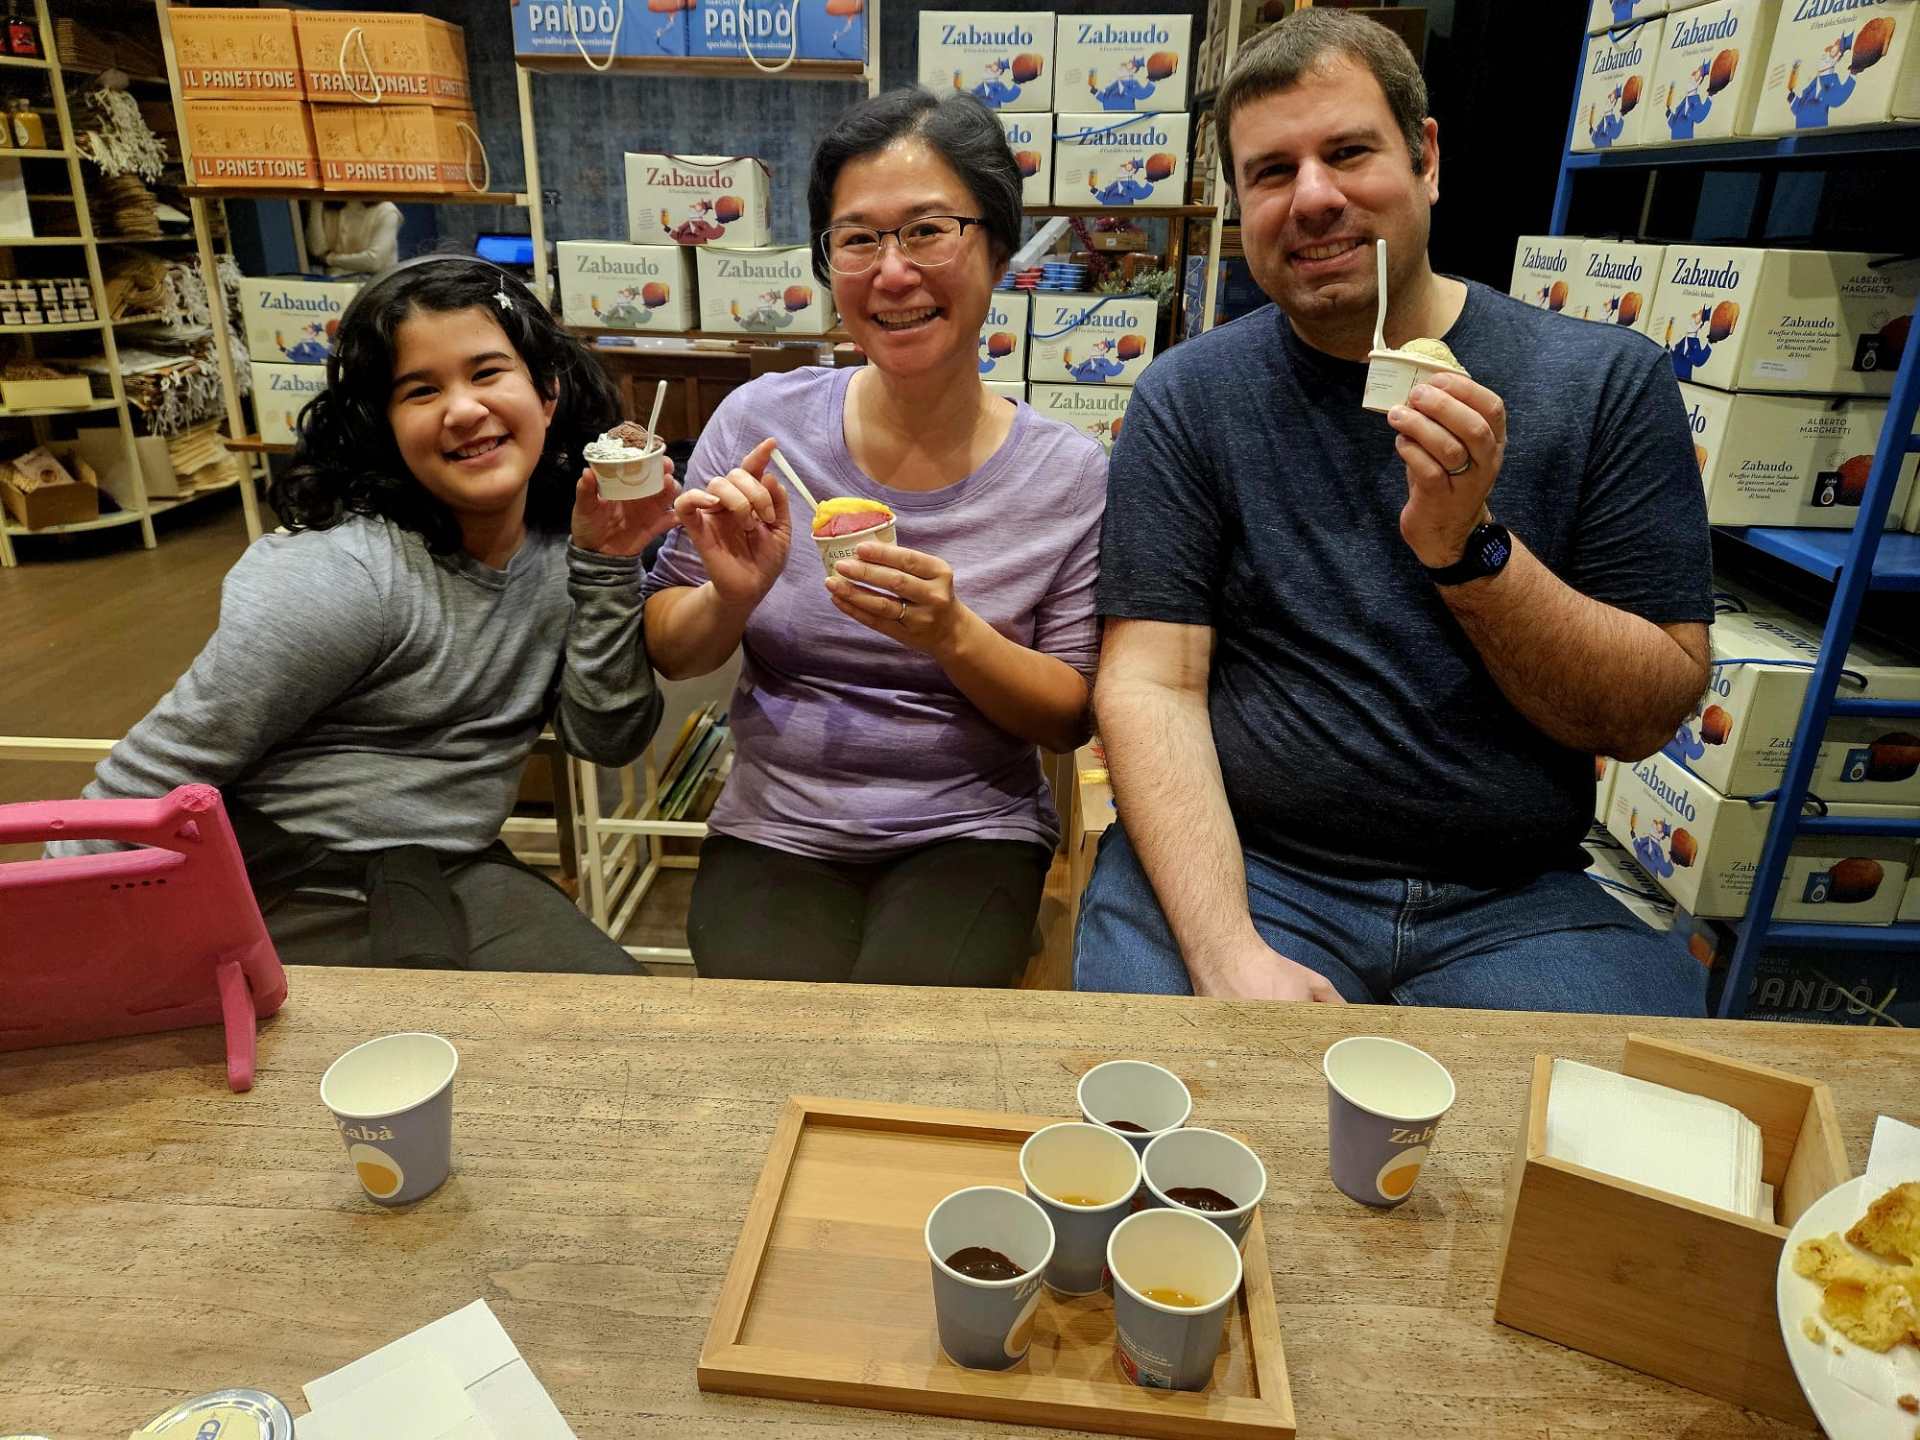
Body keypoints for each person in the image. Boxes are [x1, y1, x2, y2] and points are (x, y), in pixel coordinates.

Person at [1076, 11, 1713, 1015]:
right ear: (1240, 204)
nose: (1314, 197)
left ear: (1426, 159)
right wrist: (1229, 952)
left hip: (1516, 900)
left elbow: (1642, 713)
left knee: (1624, 1128)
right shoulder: (1190, 398)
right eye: (1272, 172)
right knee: (1158, 1085)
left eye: (1348, 153)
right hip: (1253, 867)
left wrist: (1471, 551)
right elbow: (1152, 682)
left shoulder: (1603, 384)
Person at [50, 256, 679, 973]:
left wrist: (606, 564)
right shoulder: (343, 576)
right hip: (288, 885)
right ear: (384, 425)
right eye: (420, 390)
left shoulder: (568, 543)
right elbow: (144, 779)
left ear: (548, 391)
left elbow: (606, 737)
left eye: (486, 372)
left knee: (634, 1031)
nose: (463, 409)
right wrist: (50, 951)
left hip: (440, 868)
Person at [642, 88, 1106, 987]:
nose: (892, 273)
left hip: (971, 827)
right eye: (858, 238)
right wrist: (730, 595)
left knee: (914, 1028)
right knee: (773, 1033)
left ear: (999, 248)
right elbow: (667, 643)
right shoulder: (761, 425)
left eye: (928, 231)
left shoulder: (1070, 474)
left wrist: (954, 635)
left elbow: (1070, 712)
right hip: (777, 822)